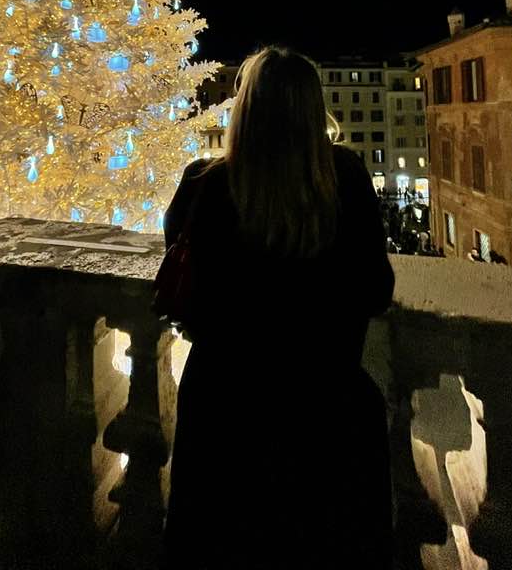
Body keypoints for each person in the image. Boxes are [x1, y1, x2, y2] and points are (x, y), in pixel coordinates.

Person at [160, 47, 395, 570]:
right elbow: (376, 289)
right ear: (314, 109)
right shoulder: (347, 177)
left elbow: (184, 287)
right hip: (322, 411)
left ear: (243, 108)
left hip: (224, 414)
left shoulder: (203, 184)